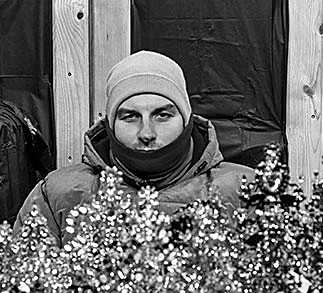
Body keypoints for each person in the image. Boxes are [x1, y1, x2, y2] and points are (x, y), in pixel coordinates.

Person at [14, 50, 254, 245]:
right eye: (130, 117)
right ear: (110, 125)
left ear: (186, 120)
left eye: (162, 115)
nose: (146, 133)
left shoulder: (246, 191)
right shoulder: (57, 194)